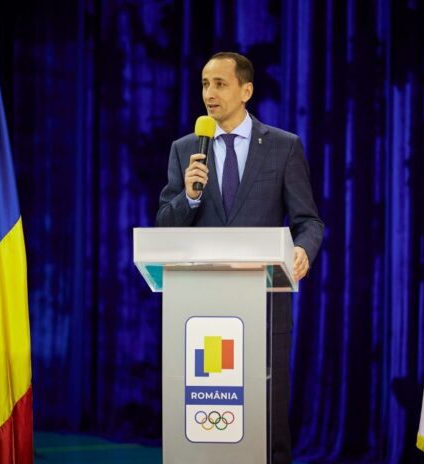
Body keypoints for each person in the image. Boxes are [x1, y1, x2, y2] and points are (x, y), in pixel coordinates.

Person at [156, 51, 324, 464]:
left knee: (267, 418)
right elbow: (165, 225)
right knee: (208, 412)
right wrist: (189, 196)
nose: (209, 94)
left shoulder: (283, 146)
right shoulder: (185, 149)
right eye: (204, 84)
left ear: (246, 91)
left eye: (220, 84)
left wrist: (302, 249)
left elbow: (308, 221)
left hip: (264, 306)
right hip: (201, 310)